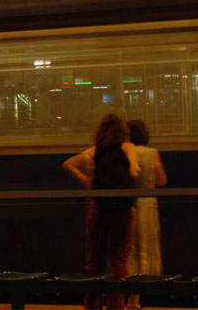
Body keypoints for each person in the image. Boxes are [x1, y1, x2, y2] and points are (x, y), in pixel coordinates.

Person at [62, 114, 139, 310]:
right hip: (122, 210)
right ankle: (116, 305)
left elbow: (67, 164)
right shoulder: (128, 147)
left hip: (98, 208)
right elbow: (134, 172)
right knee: (118, 261)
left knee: (94, 261)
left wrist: (88, 181)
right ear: (123, 131)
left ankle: (92, 306)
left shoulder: (94, 151)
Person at [125, 119, 167, 310]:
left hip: (131, 206)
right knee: (146, 250)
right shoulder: (153, 153)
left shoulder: (128, 153)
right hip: (149, 205)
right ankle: (137, 298)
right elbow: (161, 180)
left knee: (130, 251)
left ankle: (129, 298)